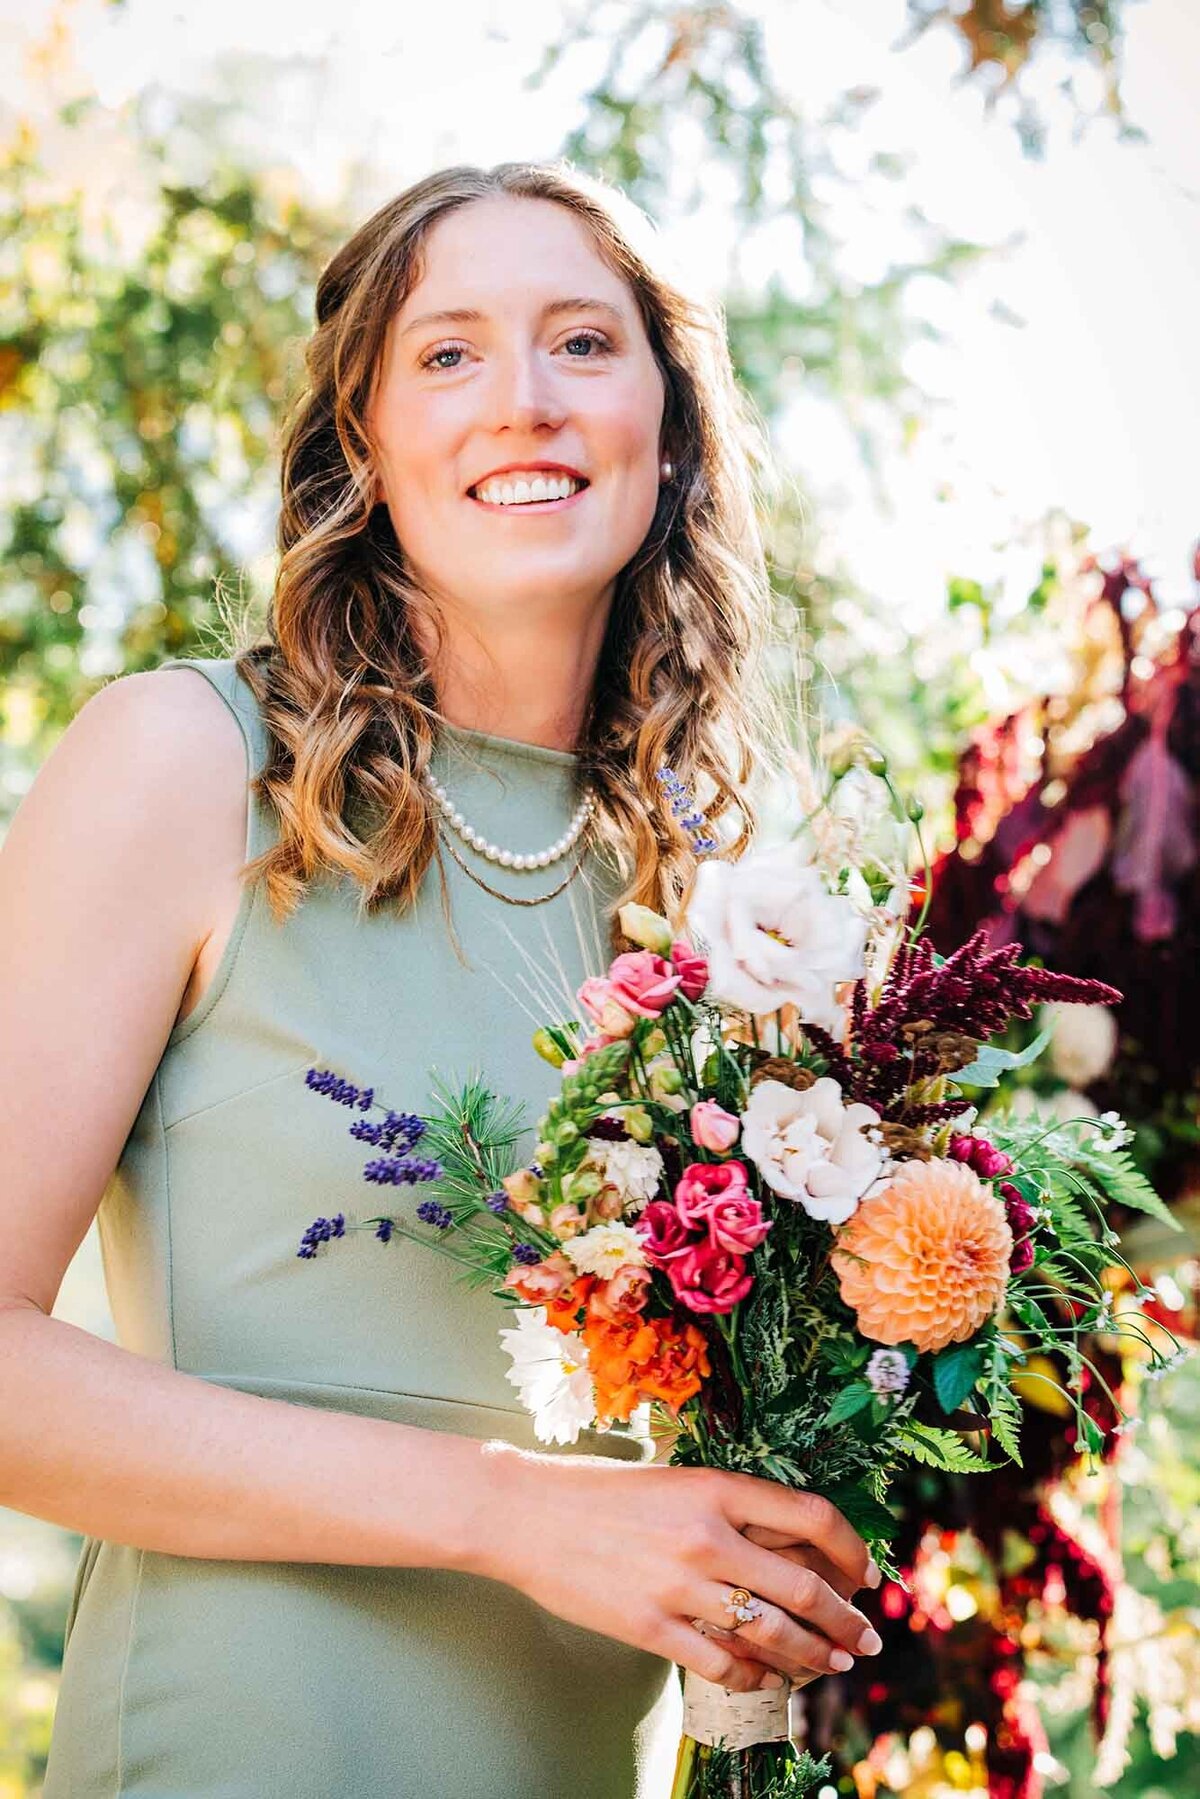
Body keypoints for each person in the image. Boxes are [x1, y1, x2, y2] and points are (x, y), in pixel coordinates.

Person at [1, 160, 883, 1799]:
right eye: (451, 354)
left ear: (670, 428)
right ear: (366, 439)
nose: (525, 405)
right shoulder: (189, 762)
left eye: (582, 343)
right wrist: (514, 1513)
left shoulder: (734, 895)